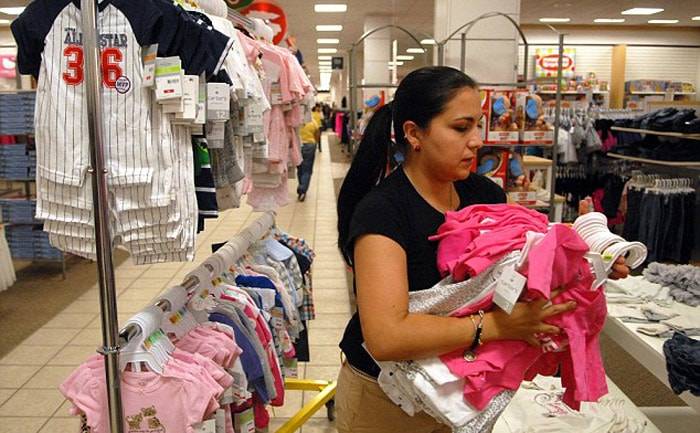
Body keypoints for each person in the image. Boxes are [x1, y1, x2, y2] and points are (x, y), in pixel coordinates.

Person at [335, 66, 629, 433]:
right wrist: (498, 326)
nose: (476, 140)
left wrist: (587, 262)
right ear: (414, 134)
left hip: (465, 386)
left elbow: (517, 268)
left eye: (478, 125)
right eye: (461, 128)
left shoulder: (485, 195)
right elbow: (386, 337)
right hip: (387, 398)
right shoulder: (383, 212)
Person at [297, 110, 320, 202]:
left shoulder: (296, 121)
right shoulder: (312, 121)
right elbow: (317, 133)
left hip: (298, 145)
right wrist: (316, 143)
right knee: (307, 169)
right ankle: (303, 189)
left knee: (300, 168)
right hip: (310, 145)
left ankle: (301, 185)